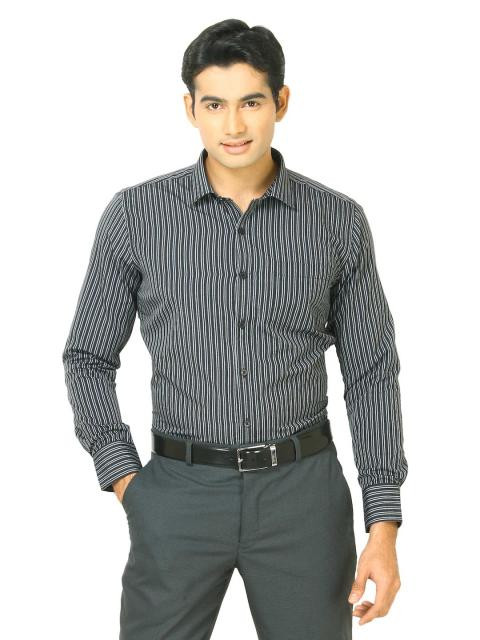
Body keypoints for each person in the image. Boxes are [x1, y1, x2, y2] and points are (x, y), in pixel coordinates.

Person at [62, 18, 408, 639]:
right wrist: (128, 482)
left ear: (281, 102)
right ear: (190, 109)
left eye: (250, 102)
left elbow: (371, 374)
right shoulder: (136, 217)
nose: (234, 126)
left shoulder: (336, 221)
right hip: (177, 490)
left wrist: (383, 526)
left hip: (303, 496)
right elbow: (87, 356)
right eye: (215, 105)